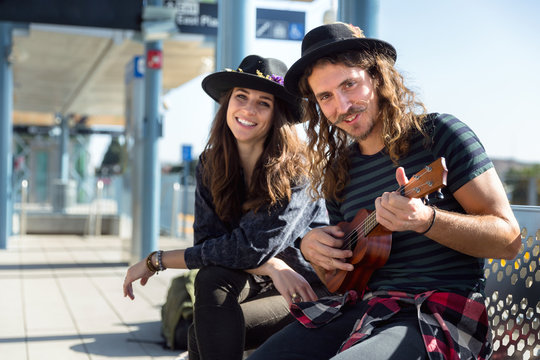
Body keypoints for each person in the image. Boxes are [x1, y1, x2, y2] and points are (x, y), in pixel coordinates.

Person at [248, 22, 521, 360]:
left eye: (350, 84)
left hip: (438, 316)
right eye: (326, 97)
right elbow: (344, 278)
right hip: (368, 311)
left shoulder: (440, 135)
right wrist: (317, 251)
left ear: (377, 77)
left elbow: (508, 239)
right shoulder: (340, 171)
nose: (343, 105)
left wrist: (427, 220)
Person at [123, 54, 330, 360]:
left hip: (305, 288)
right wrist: (272, 265)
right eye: (241, 97)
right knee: (210, 283)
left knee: (201, 332)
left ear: (278, 116)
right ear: (227, 104)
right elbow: (209, 245)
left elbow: (250, 249)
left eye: (263, 103)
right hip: (261, 278)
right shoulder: (210, 163)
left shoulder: (299, 170)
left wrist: (158, 260)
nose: (248, 109)